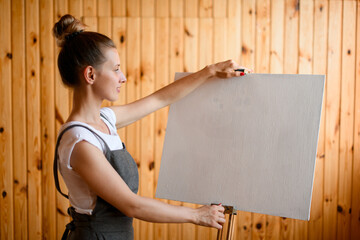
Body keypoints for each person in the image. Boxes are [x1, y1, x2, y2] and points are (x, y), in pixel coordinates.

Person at [53, 14, 251, 240]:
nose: (123, 77)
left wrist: (210, 71)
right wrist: (196, 215)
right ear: (90, 74)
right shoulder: (80, 142)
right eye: (116, 69)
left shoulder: (104, 120)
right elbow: (132, 205)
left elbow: (159, 99)